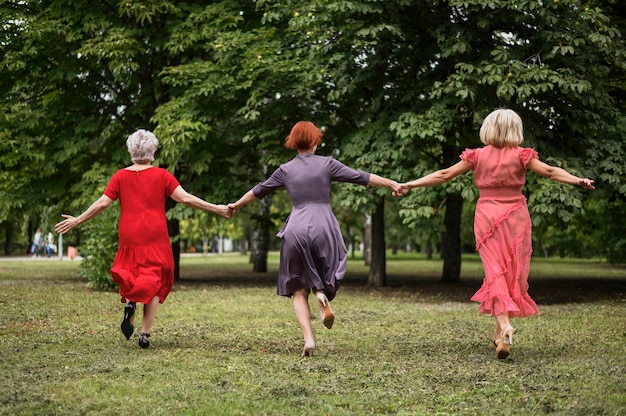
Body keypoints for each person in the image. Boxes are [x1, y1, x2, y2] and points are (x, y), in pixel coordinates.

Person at [395, 109, 595, 359]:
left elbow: (444, 175)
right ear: (515, 129)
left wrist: (409, 184)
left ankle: (505, 327)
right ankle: (500, 332)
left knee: (495, 272)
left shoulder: (477, 156)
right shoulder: (522, 155)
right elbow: (552, 172)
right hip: (517, 217)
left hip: (488, 216)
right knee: (513, 272)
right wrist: (577, 180)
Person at [228, 121, 401, 357]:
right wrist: (391, 182)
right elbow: (362, 177)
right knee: (328, 264)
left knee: (298, 290)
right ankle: (321, 293)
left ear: (293, 143)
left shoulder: (285, 169)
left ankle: (309, 339)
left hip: (296, 227)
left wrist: (236, 205)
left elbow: (259, 190)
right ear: (315, 141)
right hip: (324, 224)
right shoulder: (328, 164)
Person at [55, 129, 232, 349]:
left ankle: (131, 304)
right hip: (155, 232)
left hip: (129, 232)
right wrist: (218, 209)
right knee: (157, 278)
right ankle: (144, 334)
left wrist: (78, 220)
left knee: (132, 270)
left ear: (130, 150)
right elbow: (186, 199)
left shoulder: (120, 176)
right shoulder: (162, 175)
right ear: (153, 150)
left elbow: (102, 203)